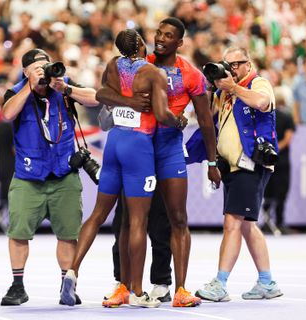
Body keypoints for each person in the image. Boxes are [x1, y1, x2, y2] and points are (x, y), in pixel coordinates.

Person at [96, 18, 219, 307]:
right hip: (137, 148)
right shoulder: (137, 62)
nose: (160, 38)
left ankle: (180, 289)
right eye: (158, 33)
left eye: (168, 35)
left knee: (176, 218)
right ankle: (124, 285)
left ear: (180, 43)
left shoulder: (191, 75)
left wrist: (212, 162)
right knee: (126, 220)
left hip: (168, 150)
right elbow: (105, 93)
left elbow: (204, 121)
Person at [61, 29, 178, 308]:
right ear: (139, 45)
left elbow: (102, 93)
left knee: (98, 214)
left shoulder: (113, 65)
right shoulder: (152, 73)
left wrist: (125, 102)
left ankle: (72, 270)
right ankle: (136, 291)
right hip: (139, 145)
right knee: (138, 221)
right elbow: (161, 114)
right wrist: (179, 122)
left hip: (115, 141)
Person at [0, 48, 98, 306]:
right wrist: (30, 87)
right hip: (28, 176)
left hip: (64, 173)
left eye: (46, 66)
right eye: (37, 68)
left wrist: (64, 87)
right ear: (25, 72)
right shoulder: (17, 90)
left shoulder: (61, 88)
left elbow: (95, 98)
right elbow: (7, 114)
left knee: (68, 234)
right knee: (19, 232)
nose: (43, 72)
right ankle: (17, 285)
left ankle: (67, 284)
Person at [195, 46, 283, 302]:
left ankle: (220, 284)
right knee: (246, 226)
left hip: (251, 164)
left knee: (232, 223)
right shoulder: (224, 92)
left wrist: (233, 87)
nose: (231, 69)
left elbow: (262, 103)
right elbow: (209, 119)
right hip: (232, 166)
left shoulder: (259, 83)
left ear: (248, 63)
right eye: (227, 64)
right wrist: (212, 89)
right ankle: (267, 282)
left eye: (236, 64)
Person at [262, 91, 295, 234]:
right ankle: (279, 223)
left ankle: (267, 222)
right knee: (281, 193)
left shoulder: (266, 117)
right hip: (282, 161)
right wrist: (276, 149)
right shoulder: (287, 117)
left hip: (267, 160)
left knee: (268, 193)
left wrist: (269, 150)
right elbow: (288, 139)